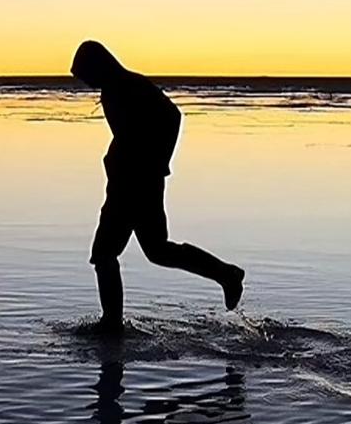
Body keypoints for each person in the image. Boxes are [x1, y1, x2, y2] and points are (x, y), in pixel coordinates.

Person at [70, 40, 245, 332]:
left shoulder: (126, 86)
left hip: (135, 184)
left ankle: (112, 323)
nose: (85, 83)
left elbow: (173, 117)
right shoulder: (115, 88)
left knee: (105, 253)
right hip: (131, 181)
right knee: (157, 250)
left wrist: (157, 162)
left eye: (84, 74)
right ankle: (226, 274)